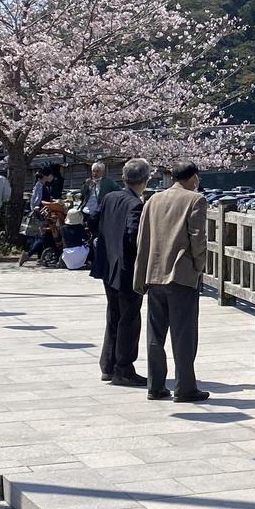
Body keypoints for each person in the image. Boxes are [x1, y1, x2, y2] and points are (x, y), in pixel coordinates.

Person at [134, 162, 209, 402]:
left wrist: (142, 272)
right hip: (181, 275)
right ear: (194, 177)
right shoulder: (195, 200)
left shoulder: (153, 200)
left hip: (155, 274)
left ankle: (155, 386)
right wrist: (199, 267)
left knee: (155, 334)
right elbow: (198, 238)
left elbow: (143, 238)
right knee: (183, 334)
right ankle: (185, 387)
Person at [90, 159, 151, 386]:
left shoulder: (110, 197)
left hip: (108, 265)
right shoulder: (136, 205)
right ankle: (123, 368)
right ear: (145, 181)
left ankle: (108, 365)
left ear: (124, 178)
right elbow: (133, 236)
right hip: (126, 269)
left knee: (114, 315)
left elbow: (93, 221)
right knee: (129, 318)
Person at [17, 191, 67, 268]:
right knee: (42, 238)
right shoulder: (58, 214)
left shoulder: (50, 213)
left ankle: (30, 254)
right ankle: (29, 254)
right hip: (56, 236)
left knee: (41, 238)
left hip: (48, 233)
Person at [81, 161, 107, 234]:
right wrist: (86, 185)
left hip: (98, 212)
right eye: (93, 171)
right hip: (86, 211)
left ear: (102, 172)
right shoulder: (88, 181)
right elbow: (82, 192)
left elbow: (117, 190)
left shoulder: (107, 182)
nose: (95, 174)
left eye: (97, 171)